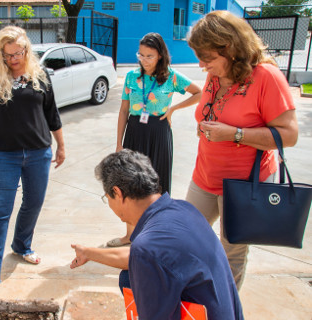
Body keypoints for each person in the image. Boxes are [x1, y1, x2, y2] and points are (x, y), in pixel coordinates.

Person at [185, 11, 298, 290]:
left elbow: (289, 135)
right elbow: (210, 111)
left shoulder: (266, 77)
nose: (202, 65)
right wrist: (204, 126)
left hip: (244, 184)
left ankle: (225, 306)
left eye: (208, 57)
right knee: (186, 234)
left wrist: (235, 134)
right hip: (205, 176)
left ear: (231, 49)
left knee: (231, 252)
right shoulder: (215, 75)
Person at [70, 150, 243, 320]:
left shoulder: (147, 249)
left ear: (118, 193)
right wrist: (88, 253)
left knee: (130, 278)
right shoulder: (186, 210)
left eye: (107, 197)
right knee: (127, 278)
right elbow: (141, 255)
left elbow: (145, 254)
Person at [0, 26, 65, 309]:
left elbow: (51, 112)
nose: (15, 58)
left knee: (34, 202)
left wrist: (61, 145)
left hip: (39, 151)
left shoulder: (40, 75)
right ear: (0, 54)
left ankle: (22, 245)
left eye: (20, 52)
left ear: (27, 50)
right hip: (3, 154)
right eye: (9, 54)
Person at [108, 32, 202, 248]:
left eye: (149, 56)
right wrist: (119, 142)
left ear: (160, 56)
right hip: (134, 131)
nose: (144, 60)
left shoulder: (172, 76)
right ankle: (130, 235)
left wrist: (174, 109)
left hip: (158, 132)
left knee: (157, 183)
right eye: (140, 55)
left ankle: (157, 236)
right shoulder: (132, 77)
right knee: (130, 184)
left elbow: (199, 93)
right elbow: (123, 110)